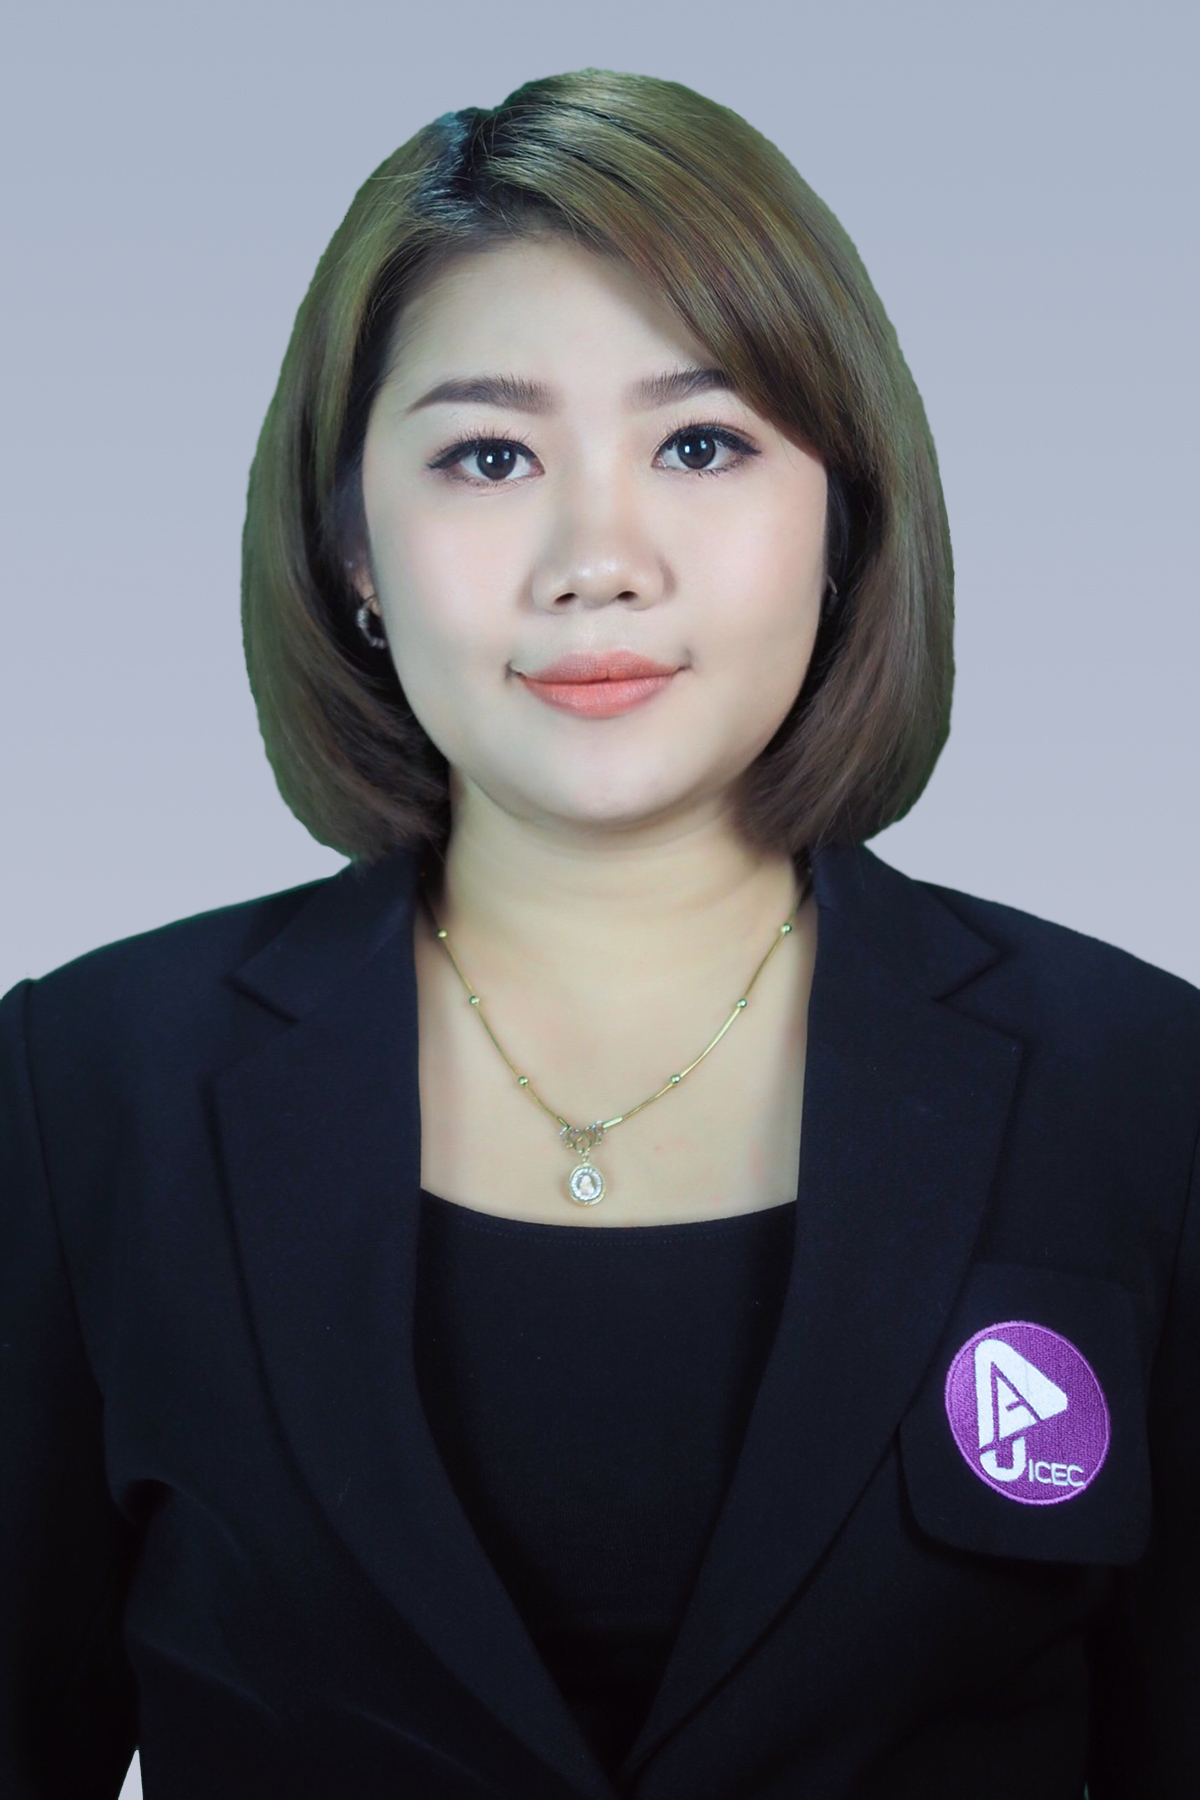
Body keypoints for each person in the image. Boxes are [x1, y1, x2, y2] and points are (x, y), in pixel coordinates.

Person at [1, 65, 1196, 1800]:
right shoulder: (84, 1093)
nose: (598, 557)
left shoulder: (1142, 1093)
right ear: (353, 548)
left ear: (843, 515)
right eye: (488, 456)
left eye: (700, 444)